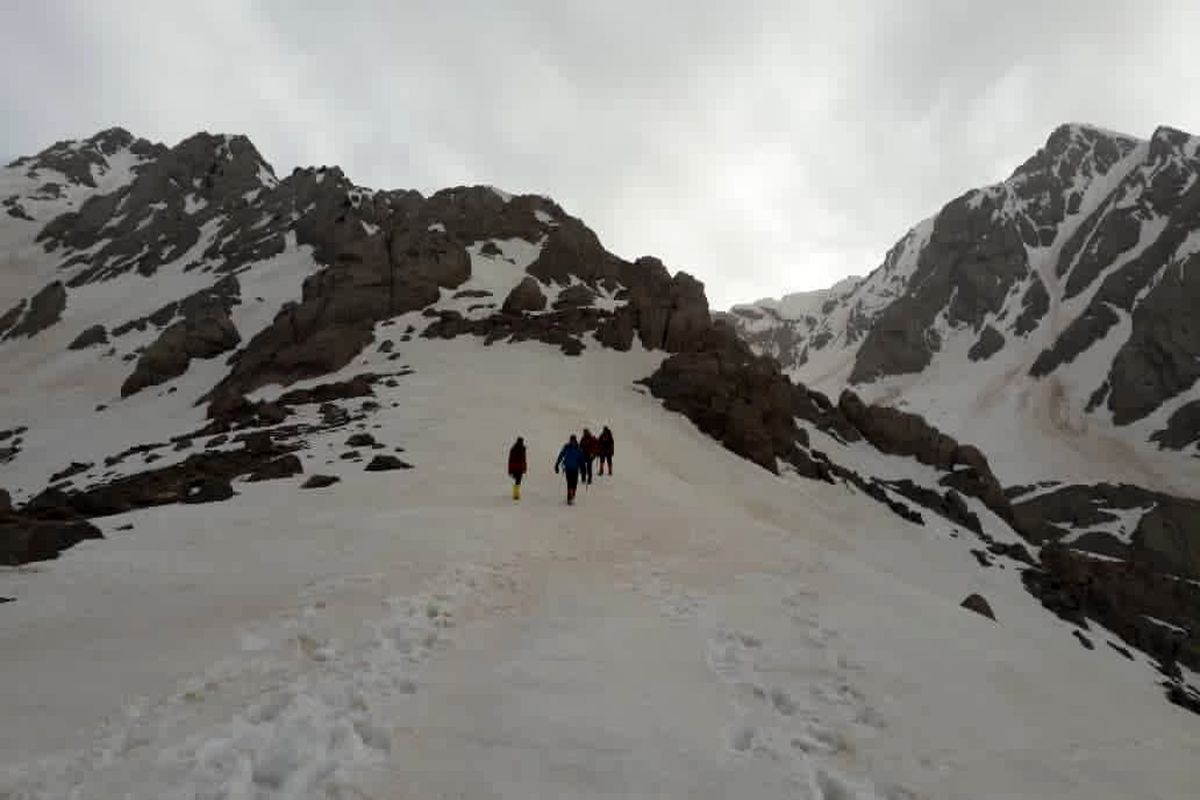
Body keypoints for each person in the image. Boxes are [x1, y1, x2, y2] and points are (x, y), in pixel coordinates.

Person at [554, 434, 585, 505]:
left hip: (575, 469)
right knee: (569, 483)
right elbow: (561, 455)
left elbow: (581, 460)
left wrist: (583, 469)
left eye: (573, 440)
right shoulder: (567, 447)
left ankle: (572, 494)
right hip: (568, 469)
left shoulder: (578, 449)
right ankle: (569, 498)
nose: (572, 442)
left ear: (575, 440)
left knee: (574, 483)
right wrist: (557, 464)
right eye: (571, 440)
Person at [507, 437, 527, 501]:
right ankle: (516, 494)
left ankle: (516, 494)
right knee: (518, 481)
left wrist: (510, 470)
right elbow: (523, 460)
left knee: (518, 480)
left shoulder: (514, 449)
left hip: (516, 468)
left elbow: (510, 460)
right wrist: (524, 468)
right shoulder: (521, 449)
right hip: (518, 468)